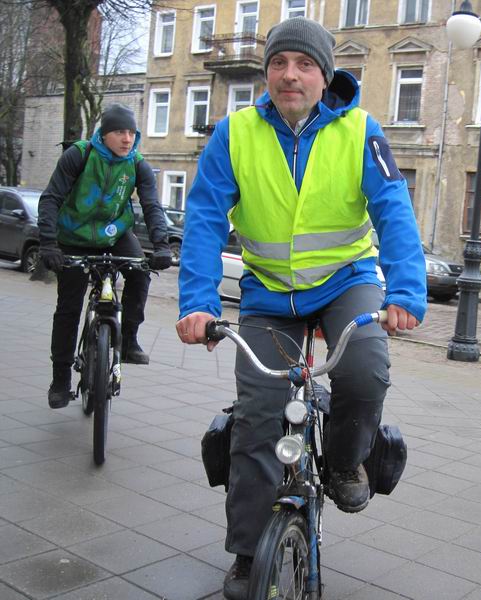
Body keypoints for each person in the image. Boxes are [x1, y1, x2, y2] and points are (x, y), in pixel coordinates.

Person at [175, 17, 427, 600]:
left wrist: (406, 295)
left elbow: (394, 210)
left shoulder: (360, 130)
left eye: (305, 64)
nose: (290, 75)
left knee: (364, 369)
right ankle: (247, 553)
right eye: (280, 63)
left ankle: (345, 462)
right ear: (267, 73)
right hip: (269, 293)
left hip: (346, 282)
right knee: (259, 417)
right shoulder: (234, 133)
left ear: (325, 74)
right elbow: (206, 220)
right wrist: (197, 303)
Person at [38, 103, 173, 409]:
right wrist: (49, 244)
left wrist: (162, 245)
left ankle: (128, 339)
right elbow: (50, 199)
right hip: (73, 236)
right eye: (119, 132)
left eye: (131, 133)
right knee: (69, 308)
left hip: (114, 233)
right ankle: (60, 380)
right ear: (104, 133)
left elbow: (152, 206)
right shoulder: (79, 155)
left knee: (140, 271)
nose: (127, 139)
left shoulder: (137, 164)